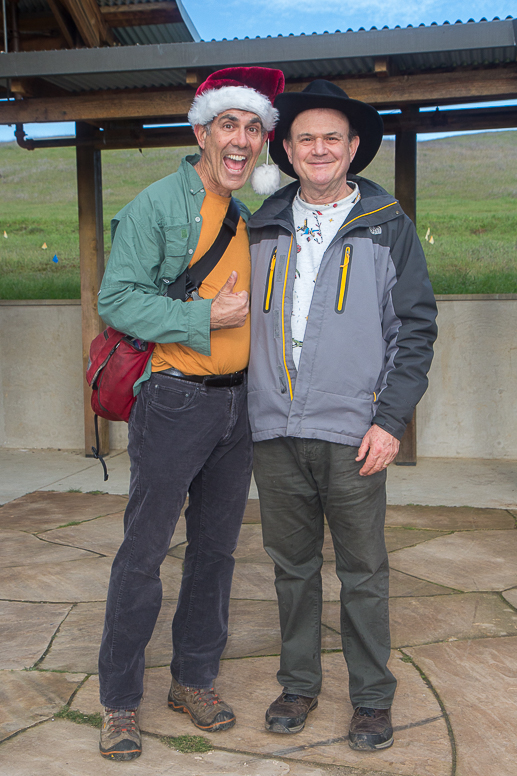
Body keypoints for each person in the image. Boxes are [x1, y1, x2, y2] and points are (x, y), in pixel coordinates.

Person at [96, 66, 285, 761]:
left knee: (214, 553)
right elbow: (116, 299)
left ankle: (194, 679)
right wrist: (202, 315)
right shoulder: (158, 204)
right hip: (174, 400)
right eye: (228, 125)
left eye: (253, 128)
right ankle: (119, 698)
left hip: (239, 406)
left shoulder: (255, 211)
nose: (240, 141)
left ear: (263, 141)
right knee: (143, 554)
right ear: (201, 131)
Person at [247, 80, 438, 752]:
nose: (319, 149)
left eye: (332, 137)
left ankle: (370, 699)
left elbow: (413, 331)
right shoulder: (260, 226)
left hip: (355, 433)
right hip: (274, 432)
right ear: (289, 150)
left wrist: (390, 421)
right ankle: (298, 684)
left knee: (361, 571)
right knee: (291, 568)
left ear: (353, 147)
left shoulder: (387, 227)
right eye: (305, 138)